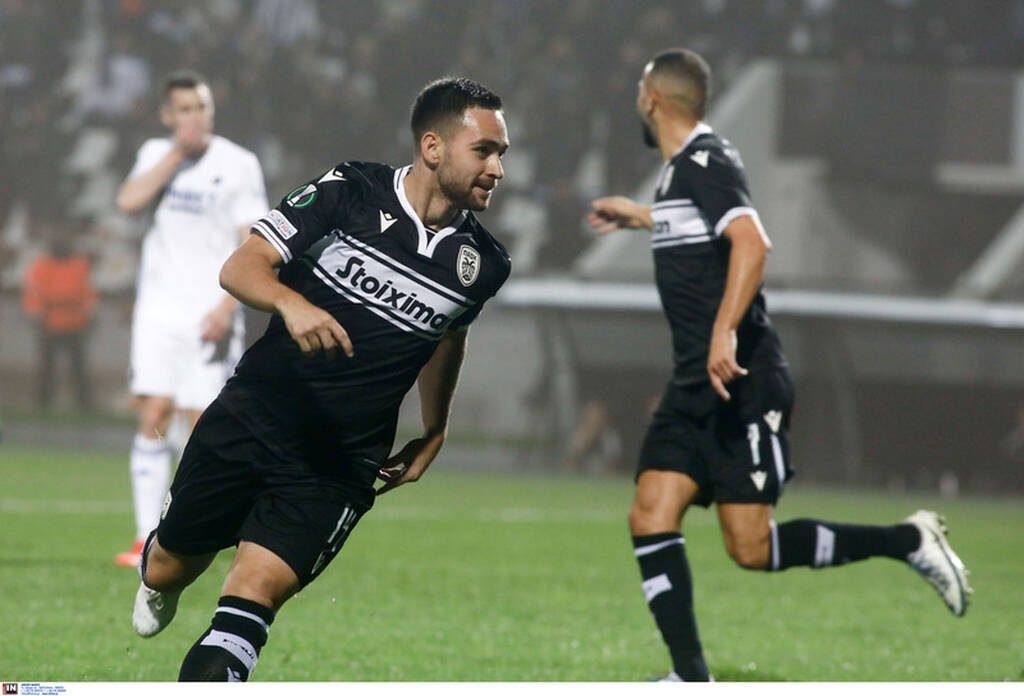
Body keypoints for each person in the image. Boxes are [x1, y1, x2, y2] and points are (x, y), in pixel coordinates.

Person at [586, 48, 972, 682]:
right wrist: (642, 217)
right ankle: (690, 678)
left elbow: (751, 241)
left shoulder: (706, 160)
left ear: (652, 99)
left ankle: (908, 541)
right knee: (650, 512)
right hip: (695, 381)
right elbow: (703, 228)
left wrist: (723, 332)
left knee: (753, 548)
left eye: (638, 91)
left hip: (740, 377)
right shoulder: (684, 172)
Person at [130, 77, 511, 681]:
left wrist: (436, 427)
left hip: (339, 462)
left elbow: (448, 335)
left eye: (501, 154)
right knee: (170, 565)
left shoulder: (484, 264)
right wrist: (292, 303)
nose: (497, 169)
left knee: (252, 596)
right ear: (433, 147)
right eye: (484, 151)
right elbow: (241, 267)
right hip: (252, 417)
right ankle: (158, 572)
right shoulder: (349, 191)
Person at [114, 70, 268, 568]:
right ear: (167, 116)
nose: (195, 118)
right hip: (159, 313)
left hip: (210, 314)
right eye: (184, 110)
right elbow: (128, 201)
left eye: (201, 108)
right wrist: (176, 155)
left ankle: (189, 532)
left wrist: (227, 307)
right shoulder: (156, 156)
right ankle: (144, 536)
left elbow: (252, 243)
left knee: (202, 425)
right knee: (155, 415)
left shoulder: (239, 163)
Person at [21, 220, 99, 410]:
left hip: (75, 323)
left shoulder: (79, 265)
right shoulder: (41, 266)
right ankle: (43, 403)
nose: (61, 247)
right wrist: (37, 315)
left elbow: (88, 293)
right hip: (49, 323)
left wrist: (89, 314)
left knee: (78, 368)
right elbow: (34, 294)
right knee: (46, 367)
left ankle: (84, 403)